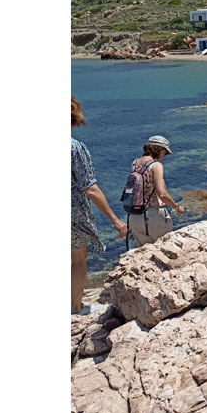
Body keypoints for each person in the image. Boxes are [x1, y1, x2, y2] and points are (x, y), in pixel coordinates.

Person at [71, 97, 129, 314]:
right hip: (73, 214)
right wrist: (115, 220)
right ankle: (75, 308)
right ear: (75, 119)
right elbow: (91, 189)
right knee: (77, 261)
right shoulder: (75, 148)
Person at [127, 135, 185, 247]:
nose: (164, 156)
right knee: (163, 249)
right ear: (159, 149)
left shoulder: (134, 163)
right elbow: (162, 194)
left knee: (141, 256)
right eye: (165, 152)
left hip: (134, 216)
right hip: (153, 216)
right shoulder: (156, 165)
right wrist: (176, 207)